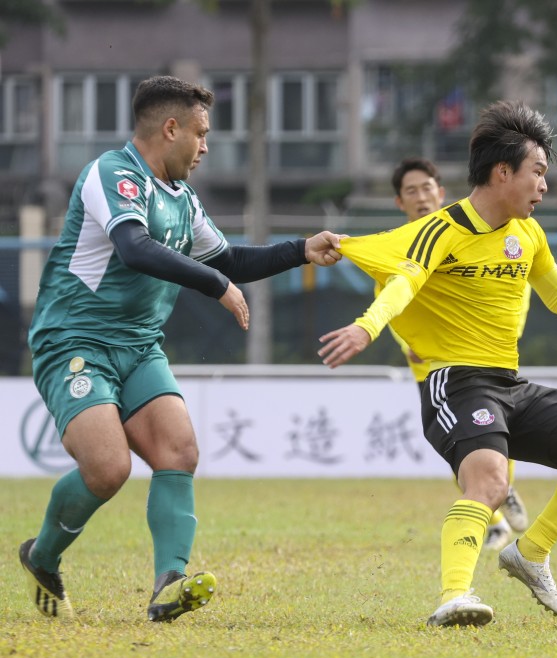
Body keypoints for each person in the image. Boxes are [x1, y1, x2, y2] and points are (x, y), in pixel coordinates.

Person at [320, 100, 557, 627]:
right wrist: (367, 326)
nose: (544, 185)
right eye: (537, 172)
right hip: (454, 383)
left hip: (510, 384)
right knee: (490, 483)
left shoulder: (529, 234)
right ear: (503, 173)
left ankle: (532, 552)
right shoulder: (443, 229)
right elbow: (404, 282)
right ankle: (454, 595)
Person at [20, 75, 342, 622]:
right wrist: (214, 286)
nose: (206, 146)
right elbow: (133, 248)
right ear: (171, 128)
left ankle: (168, 583)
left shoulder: (183, 201)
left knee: (179, 452)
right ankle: (42, 555)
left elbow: (230, 261)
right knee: (107, 469)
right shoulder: (113, 174)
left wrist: (301, 251)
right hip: (74, 340)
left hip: (140, 347)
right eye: (201, 133)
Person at [390, 156, 529, 551]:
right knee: (461, 449)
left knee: (499, 434)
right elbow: (394, 299)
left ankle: (502, 497)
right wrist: (409, 345)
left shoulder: (470, 233)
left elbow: (514, 292)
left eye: (426, 188)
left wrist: (504, 336)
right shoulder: (402, 246)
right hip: (431, 368)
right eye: (410, 192)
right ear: (400, 203)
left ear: (441, 192)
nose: (420, 197)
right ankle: (498, 514)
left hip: (485, 357)